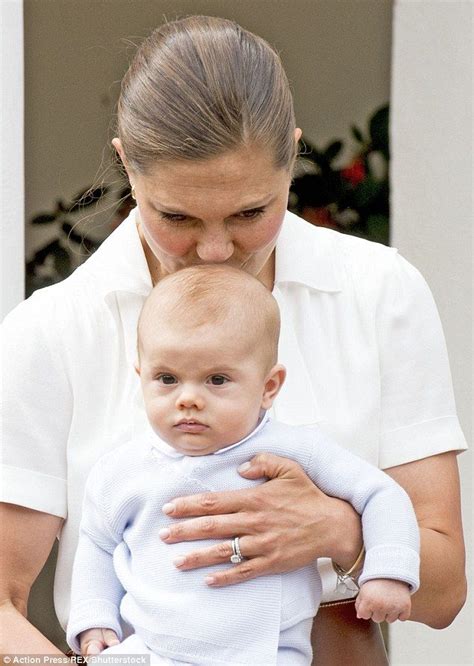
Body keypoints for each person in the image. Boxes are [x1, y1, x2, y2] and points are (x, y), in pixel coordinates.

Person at [0, 15, 467, 664]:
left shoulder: (378, 293)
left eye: (251, 212)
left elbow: (444, 592)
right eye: (177, 216)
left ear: (293, 159)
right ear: (126, 166)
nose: (216, 251)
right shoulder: (50, 333)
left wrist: (338, 530)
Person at [66, 265, 420, 664]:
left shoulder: (293, 449)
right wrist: (94, 617)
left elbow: (381, 494)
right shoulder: (120, 470)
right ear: (141, 376)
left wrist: (388, 572)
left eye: (216, 380)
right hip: (150, 651)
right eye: (166, 378)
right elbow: (98, 543)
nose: (188, 398)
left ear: (268, 387)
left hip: (267, 653)